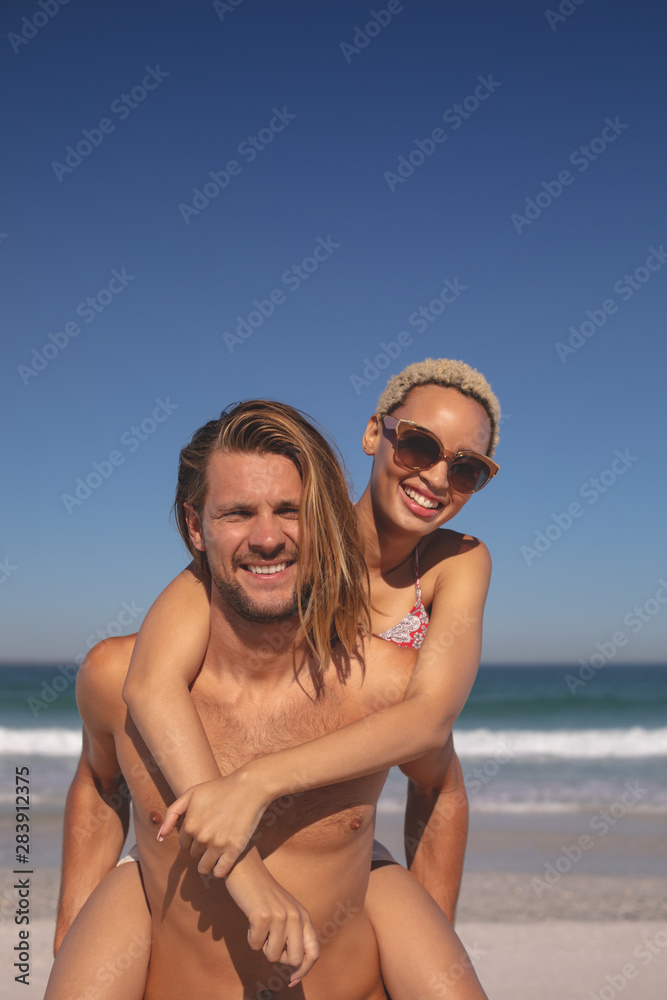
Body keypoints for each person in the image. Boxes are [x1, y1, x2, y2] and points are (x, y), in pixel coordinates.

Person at [47, 394, 490, 1000]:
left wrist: (431, 931)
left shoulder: (389, 684)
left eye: (291, 511)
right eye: (235, 513)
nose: (267, 537)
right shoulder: (116, 678)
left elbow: (438, 768)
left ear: (324, 521)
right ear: (194, 526)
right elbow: (101, 783)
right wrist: (70, 929)